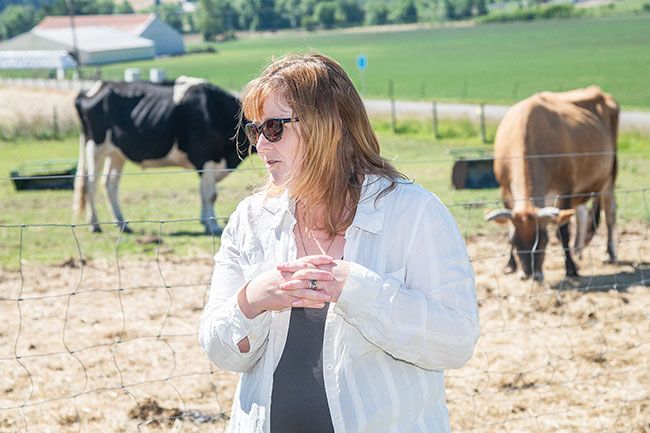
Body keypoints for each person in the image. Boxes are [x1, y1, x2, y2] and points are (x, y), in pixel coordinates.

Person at [199, 52, 480, 433]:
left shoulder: (415, 214)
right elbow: (221, 352)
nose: (261, 146)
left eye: (274, 128)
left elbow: (456, 342)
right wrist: (252, 300)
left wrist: (359, 290)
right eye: (254, 130)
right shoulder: (250, 221)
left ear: (326, 126)